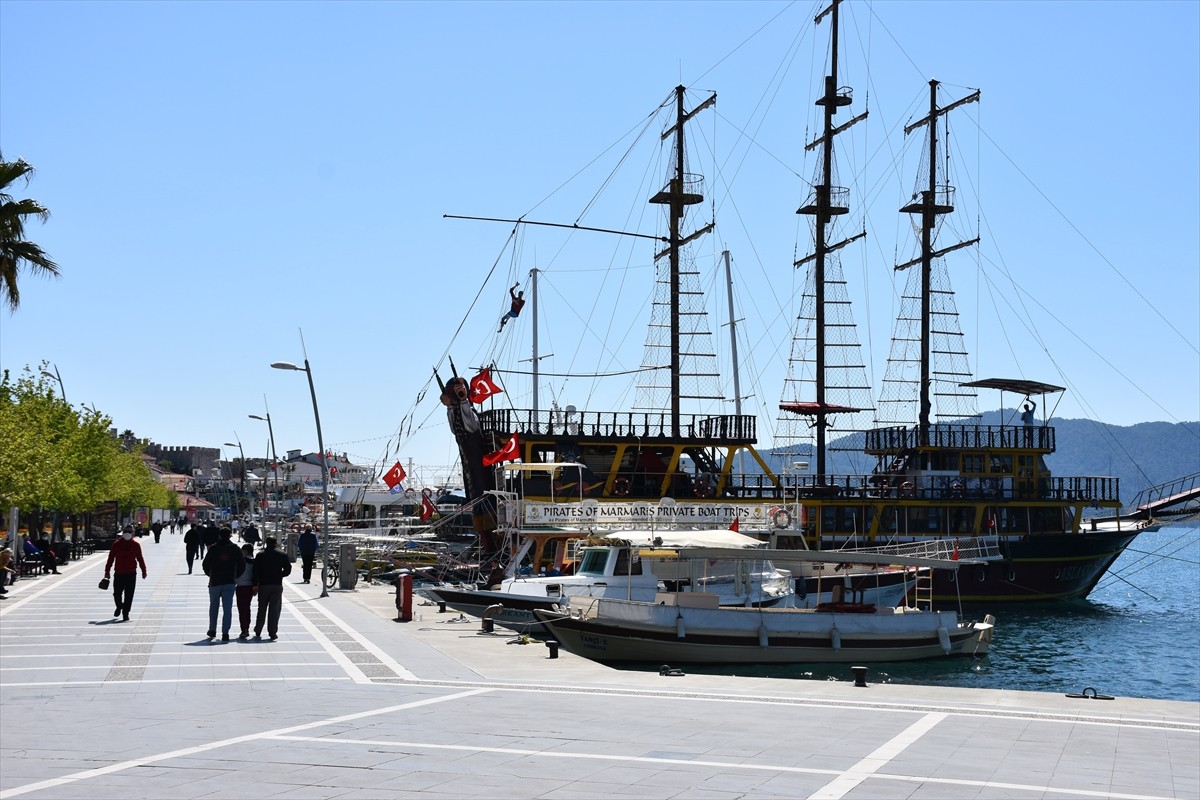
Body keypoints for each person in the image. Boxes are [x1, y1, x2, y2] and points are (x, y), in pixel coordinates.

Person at [201, 527, 244, 641]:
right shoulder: (235, 548)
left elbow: (205, 564)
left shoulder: (214, 548)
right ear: (230, 536)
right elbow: (242, 565)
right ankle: (225, 633)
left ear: (219, 536)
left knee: (214, 606)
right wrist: (236, 576)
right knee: (227, 608)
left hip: (215, 581)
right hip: (230, 581)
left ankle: (212, 630)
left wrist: (210, 574)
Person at [104, 525, 147, 622]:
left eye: (129, 531)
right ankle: (119, 606)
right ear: (122, 533)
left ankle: (125, 613)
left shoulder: (136, 545)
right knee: (117, 594)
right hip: (119, 573)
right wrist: (107, 572)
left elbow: (140, 558)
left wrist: (144, 570)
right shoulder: (116, 544)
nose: (127, 533)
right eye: (126, 531)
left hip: (131, 573)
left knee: (129, 595)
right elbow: (110, 559)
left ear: (133, 533)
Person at [252, 536, 292, 640]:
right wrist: (280, 575)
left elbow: (255, 571)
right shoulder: (282, 554)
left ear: (266, 543)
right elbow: (288, 569)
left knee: (262, 609)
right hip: (277, 585)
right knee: (274, 610)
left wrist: (255, 584)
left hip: (264, 585)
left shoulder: (260, 555)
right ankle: (272, 632)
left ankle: (258, 630)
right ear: (276, 543)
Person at [234, 543, 256, 640]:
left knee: (242, 609)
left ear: (245, 551)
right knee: (247, 607)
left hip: (241, 587)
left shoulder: (240, 561)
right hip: (250, 587)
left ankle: (244, 629)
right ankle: (246, 627)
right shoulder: (255, 562)